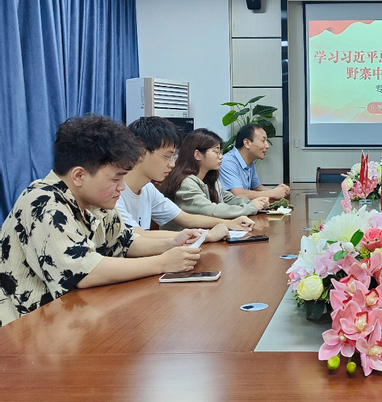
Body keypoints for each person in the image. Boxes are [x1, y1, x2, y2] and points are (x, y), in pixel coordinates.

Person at [0, 114, 203, 326]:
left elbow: (125, 242)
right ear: (79, 176)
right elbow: (85, 271)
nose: (122, 187)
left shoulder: (97, 202)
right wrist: (162, 262)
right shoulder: (42, 202)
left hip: (73, 315)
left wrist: (171, 244)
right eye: (116, 178)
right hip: (23, 326)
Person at [118, 117, 254, 239]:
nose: (172, 164)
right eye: (167, 157)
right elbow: (138, 235)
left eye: (174, 157)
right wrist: (206, 235)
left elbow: (185, 218)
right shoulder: (115, 192)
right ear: (141, 153)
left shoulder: (148, 188)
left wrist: (229, 223)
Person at [159, 128, 270, 225]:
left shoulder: (210, 178)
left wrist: (254, 203)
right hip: (184, 239)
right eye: (216, 151)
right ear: (197, 154)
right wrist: (251, 207)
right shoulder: (186, 182)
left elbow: (228, 198)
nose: (221, 156)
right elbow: (211, 210)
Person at [219, 124, 290, 201]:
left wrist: (278, 191)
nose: (267, 146)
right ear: (247, 143)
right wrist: (272, 193)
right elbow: (238, 194)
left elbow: (257, 188)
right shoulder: (227, 162)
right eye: (263, 141)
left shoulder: (250, 162)